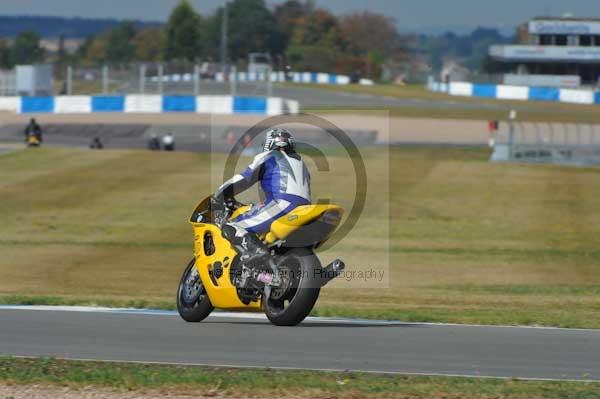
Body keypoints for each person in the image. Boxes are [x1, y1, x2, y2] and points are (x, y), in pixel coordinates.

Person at [213, 128, 311, 264]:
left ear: (269, 143)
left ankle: (257, 252)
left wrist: (220, 193)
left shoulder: (270, 156)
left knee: (232, 226)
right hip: (306, 208)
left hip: (282, 205)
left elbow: (244, 179)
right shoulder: (301, 162)